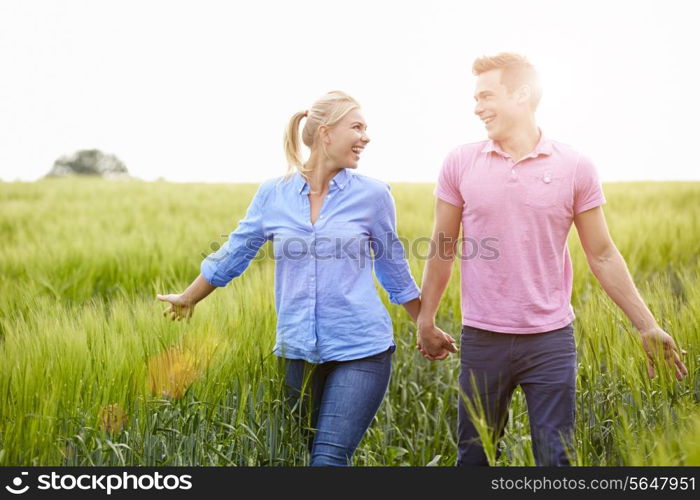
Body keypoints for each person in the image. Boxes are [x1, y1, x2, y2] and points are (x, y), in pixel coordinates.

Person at [416, 53, 688, 466]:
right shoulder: (460, 161)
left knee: (556, 460)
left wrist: (647, 325)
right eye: (475, 98)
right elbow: (442, 245)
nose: (477, 107)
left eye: (486, 95)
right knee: (473, 460)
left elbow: (602, 252)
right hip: (482, 337)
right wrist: (426, 317)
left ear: (522, 94)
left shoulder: (574, 165)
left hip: (550, 340)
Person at [156, 90, 422, 466]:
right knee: (304, 456)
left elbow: (393, 267)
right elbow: (235, 252)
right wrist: (189, 296)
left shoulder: (374, 195)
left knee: (327, 461)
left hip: (362, 348)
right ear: (326, 133)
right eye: (357, 127)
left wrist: (424, 325)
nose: (366, 137)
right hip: (297, 349)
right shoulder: (273, 195)